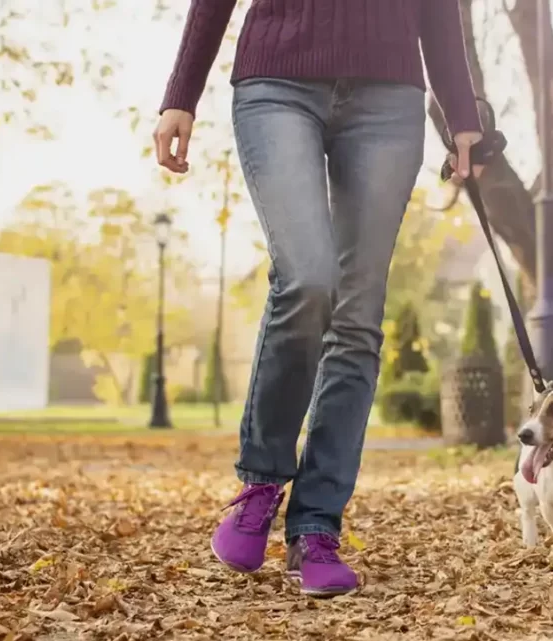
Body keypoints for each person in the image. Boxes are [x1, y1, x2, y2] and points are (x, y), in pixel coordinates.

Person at [153, 0, 483, 597]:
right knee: (308, 279)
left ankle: (315, 525)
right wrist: (181, 93)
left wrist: (462, 112)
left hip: (389, 98)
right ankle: (261, 480)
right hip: (277, 81)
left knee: (357, 317)